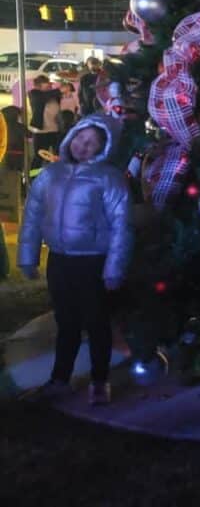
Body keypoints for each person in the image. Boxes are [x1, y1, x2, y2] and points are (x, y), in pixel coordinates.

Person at [17, 115, 130, 405]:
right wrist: (28, 257)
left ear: (103, 148)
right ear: (72, 136)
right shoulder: (50, 174)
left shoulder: (108, 178)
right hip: (59, 261)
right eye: (81, 138)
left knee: (96, 322)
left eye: (92, 143)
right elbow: (33, 215)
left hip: (92, 263)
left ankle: (99, 381)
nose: (83, 145)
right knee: (66, 322)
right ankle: (60, 379)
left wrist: (114, 268)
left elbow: (121, 225)